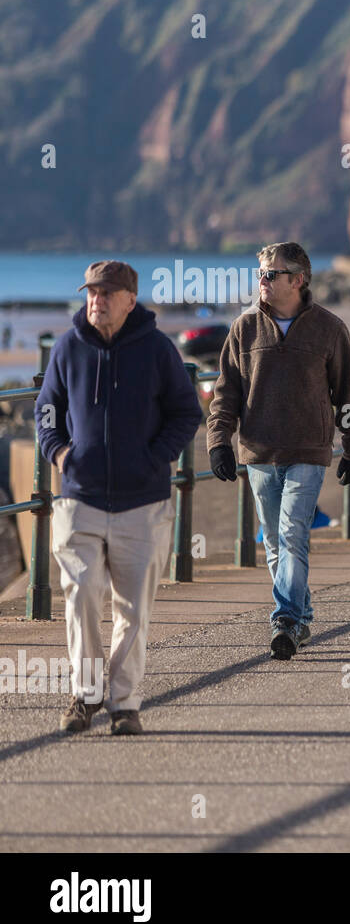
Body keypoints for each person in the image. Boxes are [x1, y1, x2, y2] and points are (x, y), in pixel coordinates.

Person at [37, 261, 203, 735]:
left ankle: (125, 704)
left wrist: (158, 458)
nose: (97, 300)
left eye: (108, 293)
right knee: (82, 595)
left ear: (131, 299)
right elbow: (47, 407)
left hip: (143, 502)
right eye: (92, 292)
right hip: (80, 498)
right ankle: (85, 696)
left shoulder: (156, 349)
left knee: (133, 609)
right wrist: (61, 453)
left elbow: (185, 411)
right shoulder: (69, 347)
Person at [207, 242, 350, 661]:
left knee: (294, 532)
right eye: (260, 272)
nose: (262, 280)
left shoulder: (330, 329)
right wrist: (219, 442)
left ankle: (286, 620)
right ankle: (302, 615)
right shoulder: (243, 329)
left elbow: (347, 396)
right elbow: (225, 394)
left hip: (308, 450)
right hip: (258, 451)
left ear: (298, 280)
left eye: (272, 274)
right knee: (275, 542)